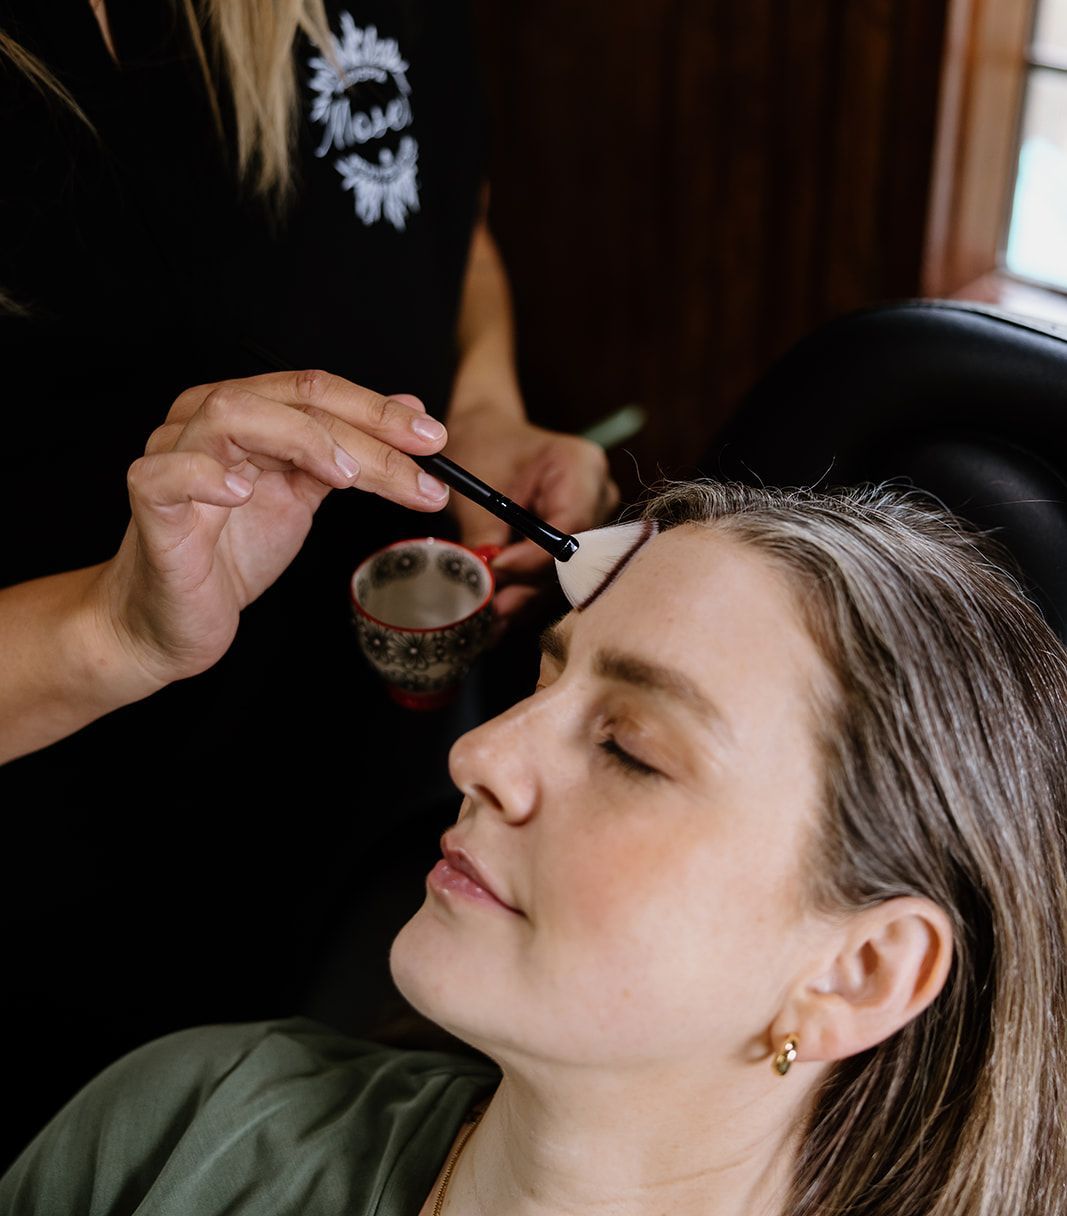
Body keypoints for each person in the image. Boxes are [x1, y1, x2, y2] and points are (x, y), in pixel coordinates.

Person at [3, 478, 1065, 1215]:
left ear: (859, 971)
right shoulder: (187, 1125)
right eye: (545, 679)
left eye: (629, 750)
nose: (479, 753)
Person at [0, 0, 616, 1167]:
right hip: (73, 929)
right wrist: (110, 628)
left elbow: (446, 231)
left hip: (372, 838)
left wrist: (480, 395)